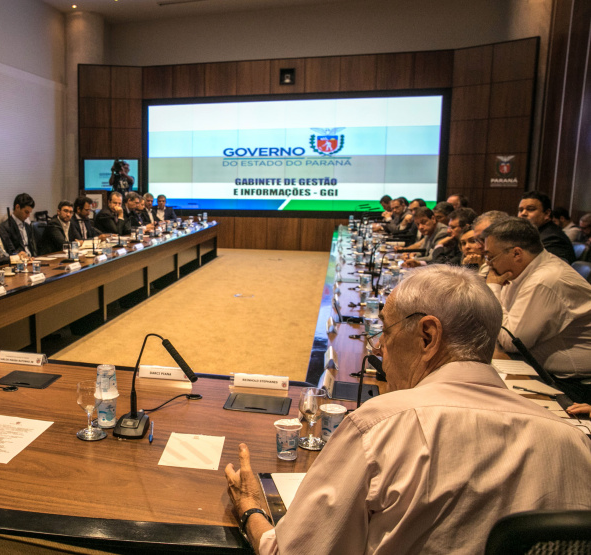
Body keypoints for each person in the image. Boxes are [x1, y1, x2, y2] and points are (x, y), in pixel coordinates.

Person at [225, 264, 591, 555]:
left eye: (384, 329)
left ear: (428, 336)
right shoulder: (573, 442)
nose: (380, 346)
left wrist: (251, 510)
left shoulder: (379, 427)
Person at [482, 217, 591, 381]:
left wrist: (493, 287)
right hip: (535, 366)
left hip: (570, 384)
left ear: (517, 253)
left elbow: (510, 339)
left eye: (490, 257)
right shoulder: (522, 270)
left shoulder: (545, 280)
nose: (489, 264)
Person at [518, 190, 576, 263]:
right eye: (520, 210)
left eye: (530, 209)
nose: (523, 213)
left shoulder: (553, 239)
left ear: (547, 213)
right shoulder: (533, 234)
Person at [1, 193, 39, 257]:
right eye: (26, 212)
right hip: (19, 262)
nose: (28, 216)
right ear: (17, 207)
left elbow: (33, 248)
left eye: (29, 213)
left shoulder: (28, 226)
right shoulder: (5, 227)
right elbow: (10, 251)